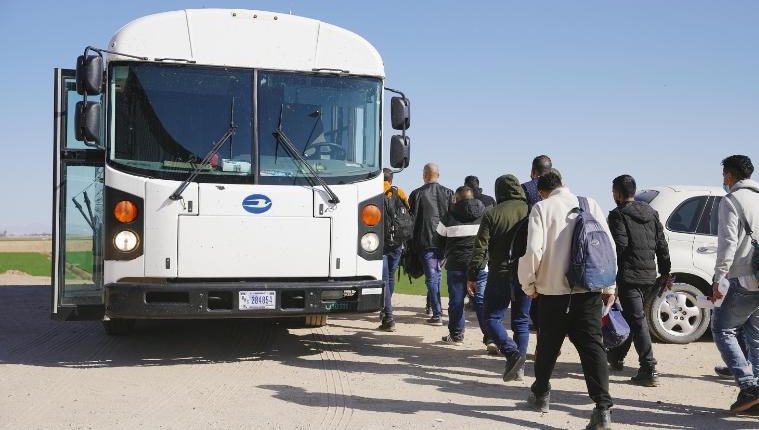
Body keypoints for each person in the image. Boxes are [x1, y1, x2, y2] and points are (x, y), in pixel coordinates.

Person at [518, 171, 616, 429]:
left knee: (548, 347)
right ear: (563, 185)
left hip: (553, 293)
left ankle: (541, 395)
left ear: (541, 191)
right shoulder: (589, 203)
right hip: (589, 291)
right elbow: (608, 247)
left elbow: (533, 250)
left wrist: (528, 284)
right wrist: (610, 285)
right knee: (592, 348)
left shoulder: (541, 208)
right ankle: (602, 410)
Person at [606, 174, 672, 386]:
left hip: (629, 276)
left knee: (637, 320)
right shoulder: (652, 213)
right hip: (649, 276)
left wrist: (611, 276)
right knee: (631, 316)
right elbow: (662, 245)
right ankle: (616, 357)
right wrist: (665, 273)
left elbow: (620, 246)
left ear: (617, 193)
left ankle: (648, 367)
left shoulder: (618, 215)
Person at [710, 155, 759, 413]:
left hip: (745, 278)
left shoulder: (731, 201)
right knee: (756, 335)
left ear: (729, 176)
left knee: (722, 329)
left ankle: (749, 386)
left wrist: (719, 277)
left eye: (724, 176)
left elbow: (727, 243)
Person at [468, 174, 530, 377]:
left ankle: (512, 353)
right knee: (521, 320)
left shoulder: (492, 213)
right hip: (525, 272)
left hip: (500, 272)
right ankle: (519, 368)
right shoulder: (531, 210)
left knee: (491, 317)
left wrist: (473, 274)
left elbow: (480, 247)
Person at [436, 186, 487, 343]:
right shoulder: (485, 213)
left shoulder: (449, 215)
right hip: (479, 265)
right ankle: (491, 337)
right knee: (480, 300)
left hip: (456, 265)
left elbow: (438, 239)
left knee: (456, 301)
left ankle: (456, 334)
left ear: (456, 199)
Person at [409, 162, 454, 325]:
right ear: (438, 175)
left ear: (424, 175)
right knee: (435, 275)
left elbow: (412, 220)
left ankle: (437, 313)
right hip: (444, 243)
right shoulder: (449, 193)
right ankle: (431, 306)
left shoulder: (416, 194)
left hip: (425, 242)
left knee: (433, 277)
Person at [380, 168, 410, 332]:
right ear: (391, 179)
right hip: (398, 242)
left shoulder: (375, 191)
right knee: (390, 277)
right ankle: (386, 308)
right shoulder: (400, 191)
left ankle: (388, 316)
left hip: (381, 241)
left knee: (383, 278)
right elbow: (408, 210)